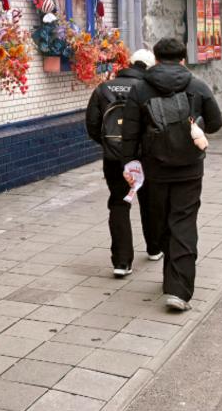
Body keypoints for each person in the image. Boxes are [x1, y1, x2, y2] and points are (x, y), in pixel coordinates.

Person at [120, 37, 222, 312]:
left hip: (154, 169)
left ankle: (172, 278)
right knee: (184, 223)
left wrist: (129, 165)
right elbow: (216, 122)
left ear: (155, 59)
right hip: (189, 169)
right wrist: (196, 125)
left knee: (162, 221)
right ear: (183, 59)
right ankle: (178, 290)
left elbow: (129, 133)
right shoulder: (197, 85)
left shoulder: (141, 89)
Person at [85, 48, 161, 278]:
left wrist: (110, 146)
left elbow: (92, 125)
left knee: (119, 203)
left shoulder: (103, 88)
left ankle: (121, 262)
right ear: (149, 67)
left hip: (114, 157)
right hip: (144, 157)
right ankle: (154, 248)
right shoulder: (149, 90)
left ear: (129, 63)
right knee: (149, 201)